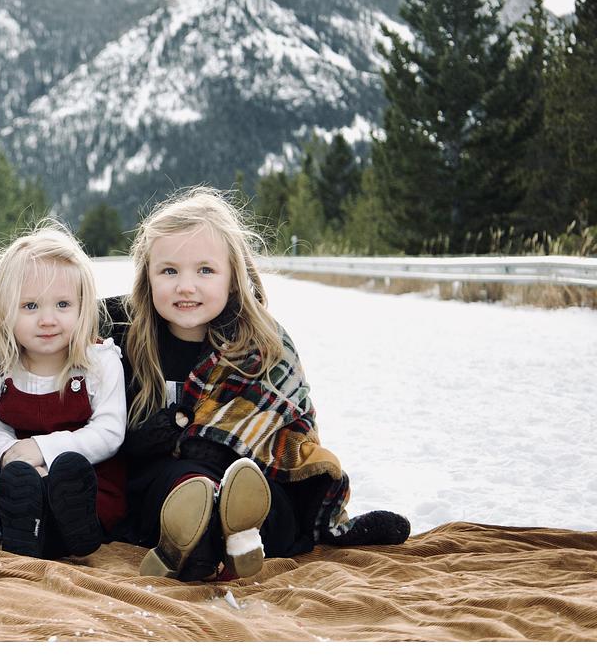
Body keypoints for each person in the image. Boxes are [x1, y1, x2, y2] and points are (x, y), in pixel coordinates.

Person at [105, 187, 410, 581]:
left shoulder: (262, 344)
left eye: (205, 270)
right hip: (166, 483)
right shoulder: (122, 335)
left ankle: (238, 532)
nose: (185, 286)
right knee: (181, 484)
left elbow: (287, 433)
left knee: (264, 491)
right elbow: (56, 320)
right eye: (169, 271)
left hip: (244, 472)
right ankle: (203, 539)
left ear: (234, 278)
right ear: (147, 277)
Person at [0, 226, 126, 560]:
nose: (47, 320)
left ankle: (73, 530)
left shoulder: (98, 362)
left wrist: (43, 450)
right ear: (5, 309)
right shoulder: (0, 367)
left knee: (71, 485)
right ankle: (32, 532)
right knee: (19, 493)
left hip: (85, 479)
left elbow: (109, 432)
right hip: (21, 481)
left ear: (82, 306)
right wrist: (9, 458)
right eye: (30, 306)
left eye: (62, 304)